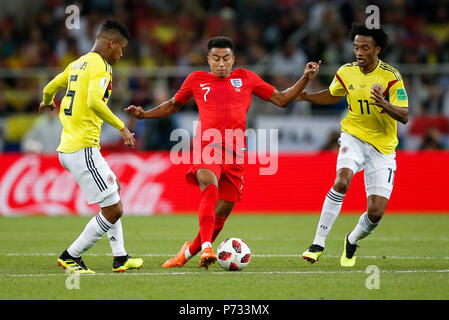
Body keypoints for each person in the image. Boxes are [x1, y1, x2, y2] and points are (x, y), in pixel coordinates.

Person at [125, 36, 321, 269]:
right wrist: (145, 114)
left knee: (222, 214)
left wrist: (305, 79)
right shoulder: (196, 80)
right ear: (208, 59)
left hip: (236, 153)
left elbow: (282, 99)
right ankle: (207, 246)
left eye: (226, 59)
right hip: (208, 146)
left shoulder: (246, 78)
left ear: (233, 60)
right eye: (216, 59)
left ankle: (186, 254)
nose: (221, 64)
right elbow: (172, 104)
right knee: (209, 185)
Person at [298, 24, 409, 267]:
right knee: (342, 179)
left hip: (382, 148)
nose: (358, 52)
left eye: (364, 48)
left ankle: (352, 239)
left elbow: (404, 115)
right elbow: (332, 94)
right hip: (353, 136)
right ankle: (317, 243)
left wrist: (384, 103)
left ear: (377, 49)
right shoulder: (346, 71)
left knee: (376, 212)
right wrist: (307, 95)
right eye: (356, 47)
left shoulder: (391, 76)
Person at [39, 20, 143, 274]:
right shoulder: (101, 65)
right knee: (114, 209)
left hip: (71, 146)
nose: (121, 54)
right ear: (111, 43)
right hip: (82, 148)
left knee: (114, 190)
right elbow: (95, 101)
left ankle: (120, 258)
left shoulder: (78, 63)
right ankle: (70, 256)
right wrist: (121, 127)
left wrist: (47, 101)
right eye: (121, 48)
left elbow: (50, 87)